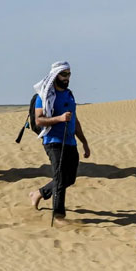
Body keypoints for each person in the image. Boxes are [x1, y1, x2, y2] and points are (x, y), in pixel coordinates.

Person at [27, 62, 91, 219]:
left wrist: (84, 142)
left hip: (70, 142)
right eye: (64, 74)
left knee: (69, 178)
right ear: (55, 75)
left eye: (69, 74)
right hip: (53, 140)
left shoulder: (69, 95)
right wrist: (60, 119)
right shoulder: (44, 96)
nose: (67, 78)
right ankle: (58, 215)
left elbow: (75, 120)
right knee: (60, 178)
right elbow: (39, 120)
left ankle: (39, 193)